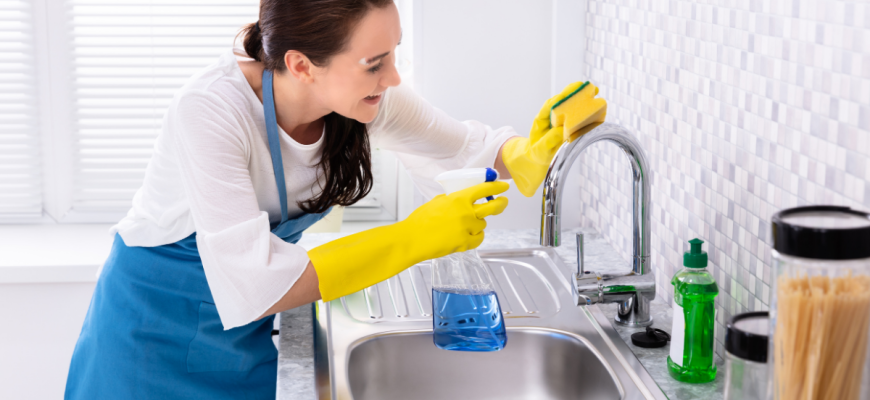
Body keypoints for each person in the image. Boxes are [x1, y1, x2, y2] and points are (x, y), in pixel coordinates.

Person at [64, 0, 606, 398]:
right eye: (375, 62)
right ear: (301, 65)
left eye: (393, 55)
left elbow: (466, 148)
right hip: (147, 336)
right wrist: (412, 237)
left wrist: (533, 152)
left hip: (240, 340)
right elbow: (254, 280)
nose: (392, 76)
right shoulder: (210, 112)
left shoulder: (361, 98)